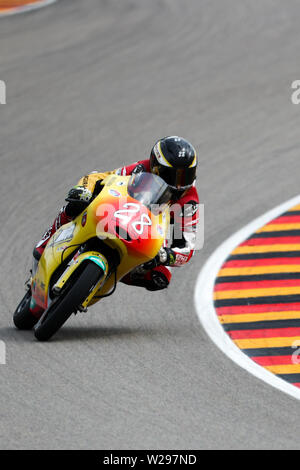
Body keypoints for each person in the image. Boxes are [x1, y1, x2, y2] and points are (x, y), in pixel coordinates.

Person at [33, 136, 199, 291]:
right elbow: (99, 177)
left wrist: (166, 256)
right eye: (173, 175)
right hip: (119, 211)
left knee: (160, 277)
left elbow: (187, 248)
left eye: (186, 175)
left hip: (150, 234)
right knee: (75, 205)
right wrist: (84, 189)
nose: (179, 184)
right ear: (156, 167)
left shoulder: (189, 201)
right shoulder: (142, 168)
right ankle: (45, 243)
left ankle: (110, 273)